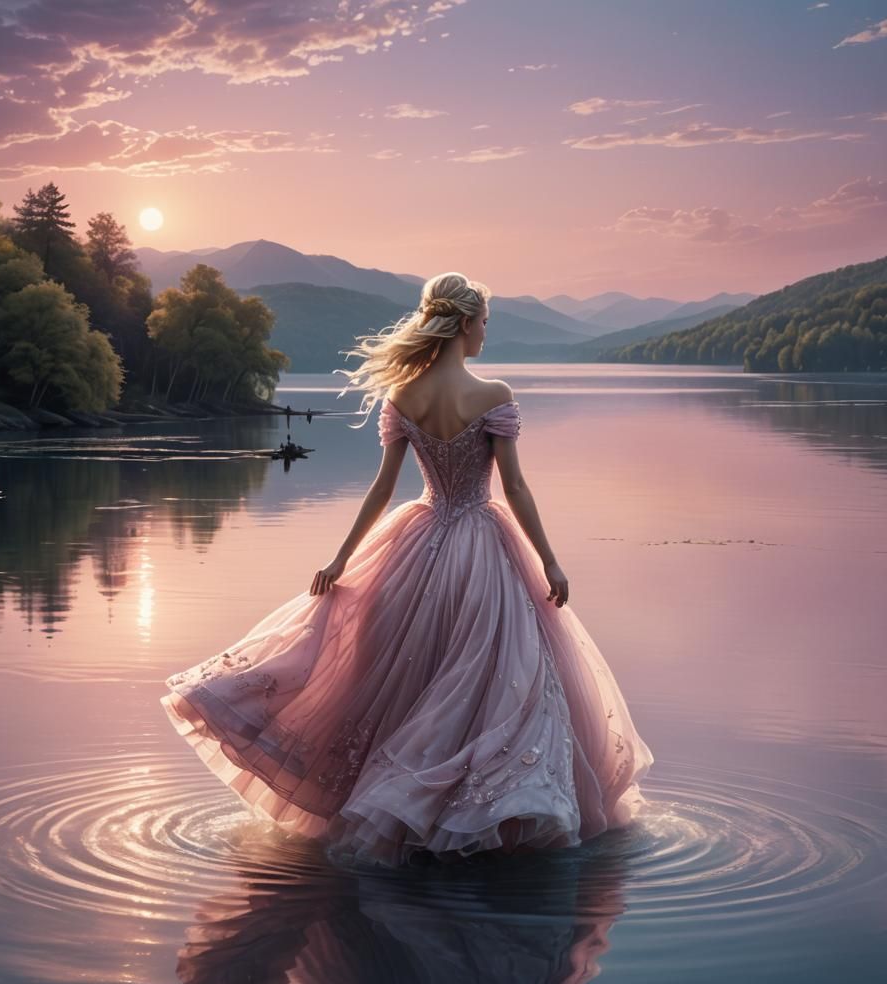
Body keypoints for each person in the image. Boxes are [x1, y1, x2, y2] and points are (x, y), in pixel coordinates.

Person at [161, 271, 654, 867]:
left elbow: (382, 488)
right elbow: (515, 486)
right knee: (496, 682)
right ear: (465, 323)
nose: (485, 334)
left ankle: (405, 818)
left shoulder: (404, 396)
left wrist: (342, 557)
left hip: (417, 542)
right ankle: (483, 817)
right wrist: (549, 558)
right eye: (484, 322)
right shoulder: (493, 393)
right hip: (483, 545)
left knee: (408, 682)